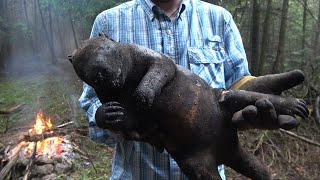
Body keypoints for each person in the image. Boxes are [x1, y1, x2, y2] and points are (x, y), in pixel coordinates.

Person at [79, 0, 300, 179]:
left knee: (259, 172)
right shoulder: (108, 23)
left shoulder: (219, 19)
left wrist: (253, 107)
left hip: (210, 150)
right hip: (143, 171)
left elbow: (238, 85)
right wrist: (114, 122)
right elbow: (93, 108)